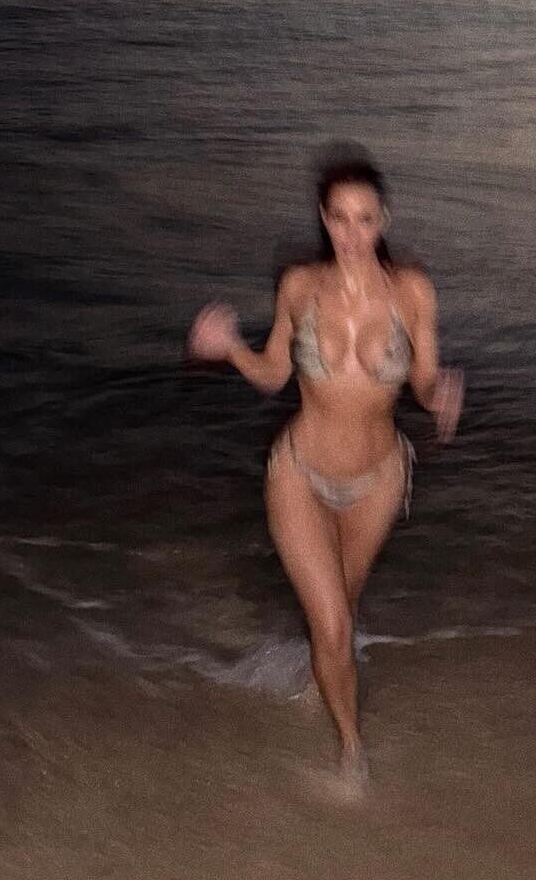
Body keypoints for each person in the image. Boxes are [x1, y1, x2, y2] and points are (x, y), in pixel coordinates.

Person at [188, 152, 463, 793]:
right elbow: (274, 373)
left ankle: (323, 678)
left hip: (379, 480)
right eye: (339, 218)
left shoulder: (412, 292)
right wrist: (229, 349)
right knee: (335, 625)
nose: (351, 233)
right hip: (300, 474)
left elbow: (422, 382)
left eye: (365, 219)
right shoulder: (300, 286)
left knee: (342, 606)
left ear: (383, 219)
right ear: (323, 217)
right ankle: (351, 754)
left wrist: (441, 394)